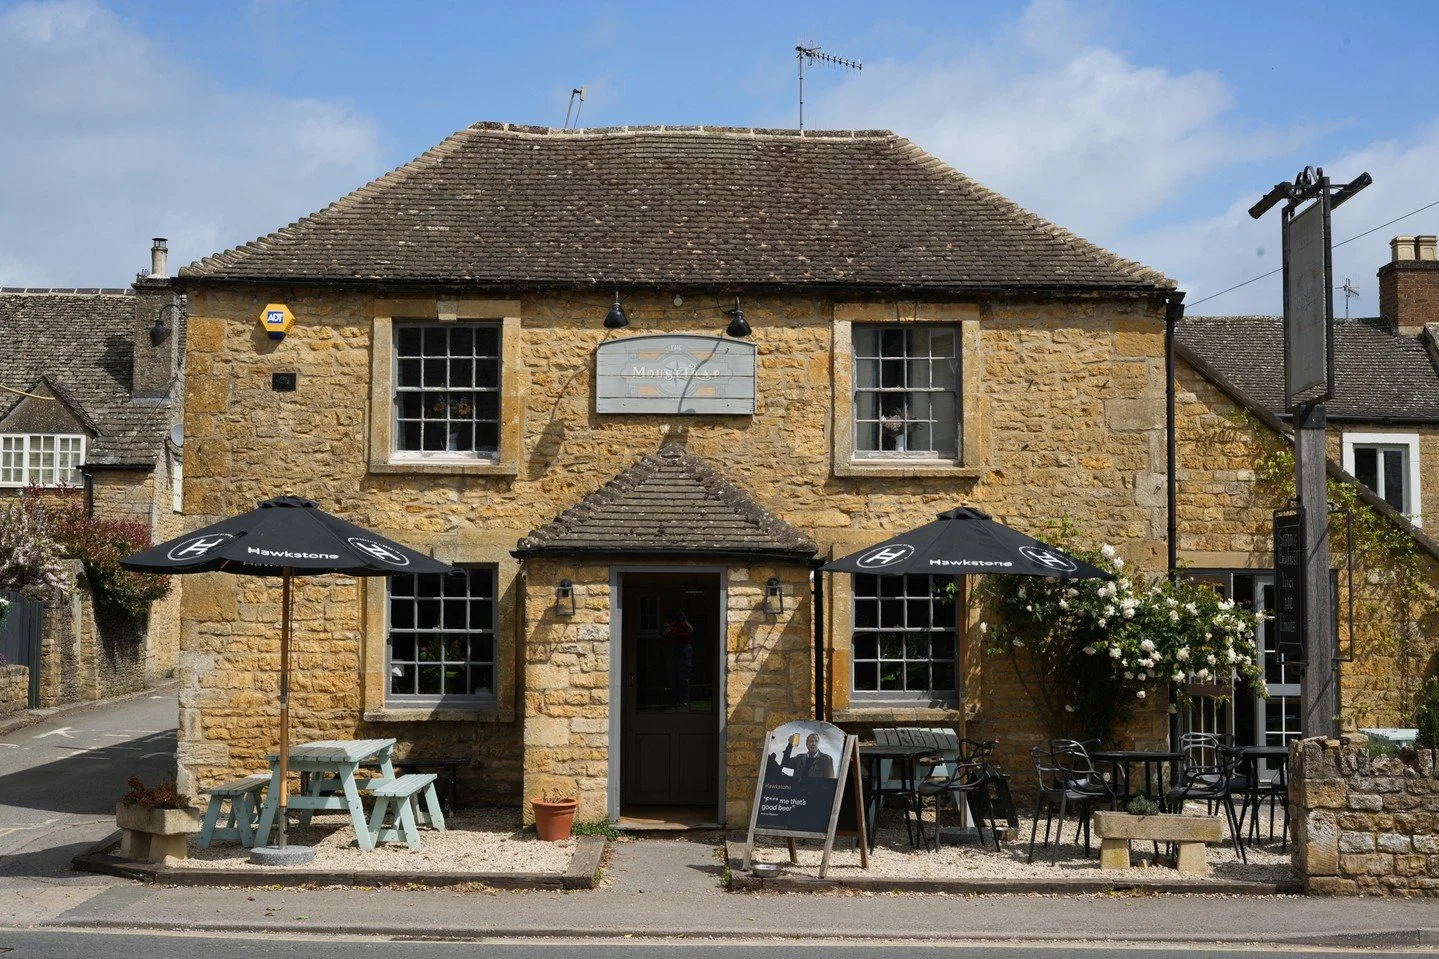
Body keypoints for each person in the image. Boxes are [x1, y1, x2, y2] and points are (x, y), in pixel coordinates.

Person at [662, 609, 694, 709]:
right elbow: (664, 634)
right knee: (672, 675)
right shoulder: (670, 624)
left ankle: (684, 700)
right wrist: (672, 622)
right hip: (672, 648)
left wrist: (684, 620)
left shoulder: (685, 623)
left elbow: (691, 631)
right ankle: (673, 700)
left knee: (684, 677)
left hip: (684, 648)